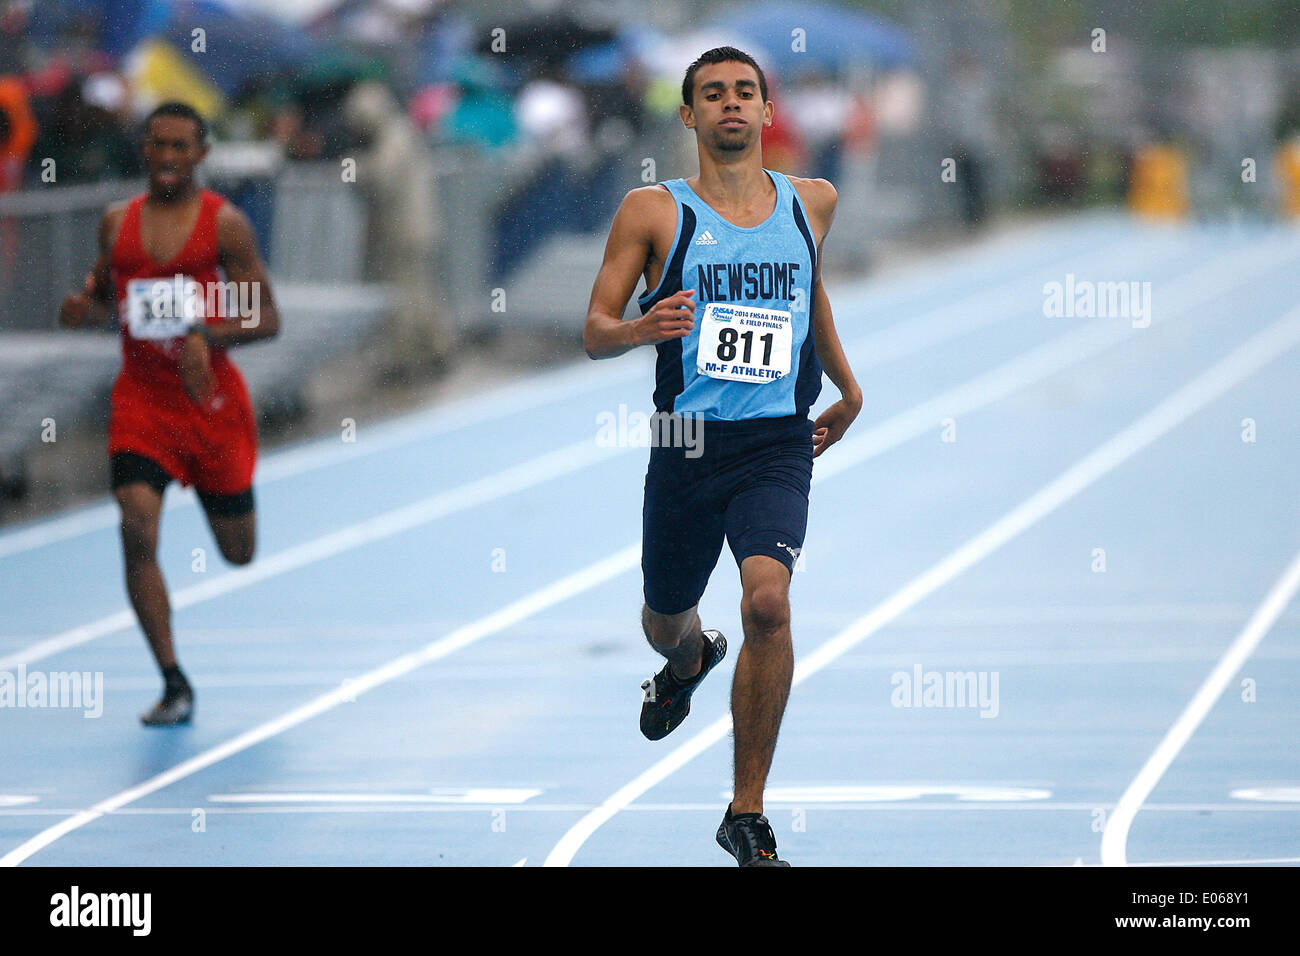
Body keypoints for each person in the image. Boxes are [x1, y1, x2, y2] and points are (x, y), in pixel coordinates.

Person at [582, 48, 862, 866]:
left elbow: (809, 295)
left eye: (745, 92)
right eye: (714, 95)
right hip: (685, 441)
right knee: (665, 616)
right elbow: (595, 328)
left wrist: (847, 386)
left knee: (768, 604)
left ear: (768, 111)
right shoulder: (651, 212)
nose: (731, 105)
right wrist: (640, 329)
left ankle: (745, 810)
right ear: (689, 116)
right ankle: (686, 659)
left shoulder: (814, 201)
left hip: (777, 440)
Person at [59, 102, 280, 726]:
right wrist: (85, 308)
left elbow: (266, 318)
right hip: (142, 402)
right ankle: (172, 679)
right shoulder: (116, 223)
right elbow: (108, 292)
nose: (167, 157)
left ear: (201, 155)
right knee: (136, 524)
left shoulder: (225, 228)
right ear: (144, 150)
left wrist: (207, 335)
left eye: (180, 146)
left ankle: (224, 505)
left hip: (210, 407)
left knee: (239, 553)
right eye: (157, 145)